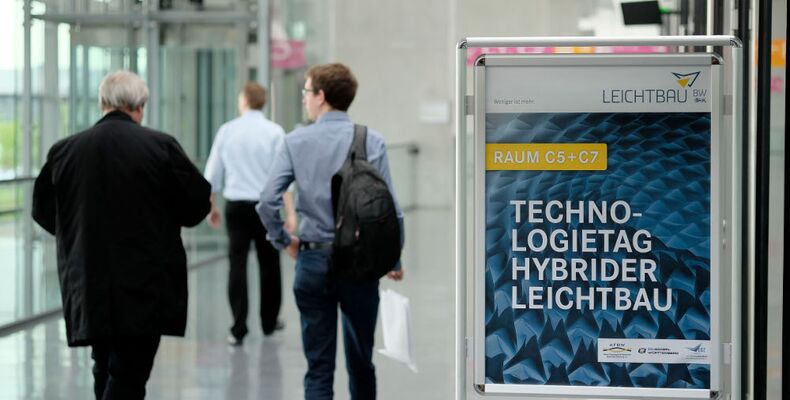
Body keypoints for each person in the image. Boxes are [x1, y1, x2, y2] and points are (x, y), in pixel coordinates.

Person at [31, 70, 211, 400]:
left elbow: (43, 211)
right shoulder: (161, 147)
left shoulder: (65, 151)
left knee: (104, 366)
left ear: (102, 103)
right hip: (145, 283)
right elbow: (196, 205)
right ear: (139, 107)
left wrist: (79, 233)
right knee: (129, 375)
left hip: (89, 280)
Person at [257, 63, 404, 400]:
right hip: (361, 263)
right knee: (361, 362)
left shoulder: (295, 141)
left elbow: (266, 201)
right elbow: (391, 210)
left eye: (307, 92)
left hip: (313, 259)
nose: (304, 99)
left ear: (321, 96)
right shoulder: (371, 140)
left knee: (319, 368)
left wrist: (284, 241)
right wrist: (392, 259)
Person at [204, 82, 296, 346]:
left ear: (244, 100)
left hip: (236, 207)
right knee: (270, 264)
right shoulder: (275, 132)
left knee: (237, 265)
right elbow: (284, 177)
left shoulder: (227, 130)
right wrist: (290, 213)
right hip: (266, 207)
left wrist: (211, 207)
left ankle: (238, 327)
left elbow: (212, 174)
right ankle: (269, 321)